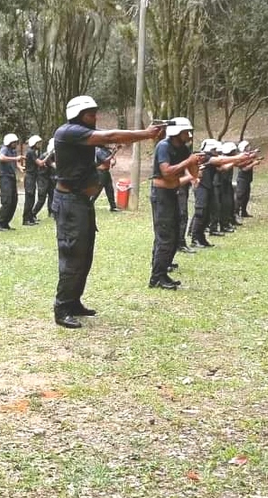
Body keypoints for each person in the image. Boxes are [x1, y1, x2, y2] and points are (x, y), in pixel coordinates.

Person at [51, 95, 164, 329]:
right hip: (70, 202)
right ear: (78, 115)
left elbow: (109, 139)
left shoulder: (82, 134)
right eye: (91, 113)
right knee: (73, 254)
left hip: (81, 201)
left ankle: (73, 302)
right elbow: (110, 136)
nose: (95, 117)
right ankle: (62, 307)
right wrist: (146, 133)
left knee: (85, 253)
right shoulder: (67, 132)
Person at [149, 117, 205, 290]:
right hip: (161, 194)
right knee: (165, 236)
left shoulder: (182, 149)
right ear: (176, 133)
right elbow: (166, 172)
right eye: (186, 132)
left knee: (173, 236)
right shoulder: (163, 146)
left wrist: (196, 162)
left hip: (172, 193)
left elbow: (194, 174)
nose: (189, 135)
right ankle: (156, 277)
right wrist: (188, 162)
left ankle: (163, 272)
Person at [0, 133, 22, 231]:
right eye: (14, 142)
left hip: (11, 177)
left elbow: (15, 162)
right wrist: (15, 158)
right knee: (7, 201)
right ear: (9, 142)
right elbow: (1, 157)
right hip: (5, 178)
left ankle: (6, 223)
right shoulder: (4, 149)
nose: (16, 144)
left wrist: (20, 167)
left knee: (14, 201)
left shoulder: (13, 151)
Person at [21, 135, 45, 225]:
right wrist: (48, 155)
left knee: (32, 198)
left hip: (32, 177)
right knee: (29, 199)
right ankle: (26, 219)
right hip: (30, 177)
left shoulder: (34, 152)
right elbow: (40, 163)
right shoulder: (31, 152)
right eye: (38, 143)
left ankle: (30, 218)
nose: (40, 144)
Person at [235, 140, 261, 218]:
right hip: (242, 179)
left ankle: (243, 212)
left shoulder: (247, 155)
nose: (249, 147)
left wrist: (255, 154)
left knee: (246, 196)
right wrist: (254, 163)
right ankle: (236, 212)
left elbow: (251, 155)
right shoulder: (241, 157)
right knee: (240, 196)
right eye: (247, 146)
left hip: (247, 179)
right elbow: (244, 169)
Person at [95, 146, 120, 212]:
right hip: (100, 173)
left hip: (106, 172)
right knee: (97, 190)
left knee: (110, 189)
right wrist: (113, 153)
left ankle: (113, 207)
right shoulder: (99, 151)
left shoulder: (107, 151)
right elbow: (105, 160)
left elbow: (112, 159)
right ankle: (89, 203)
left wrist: (114, 160)